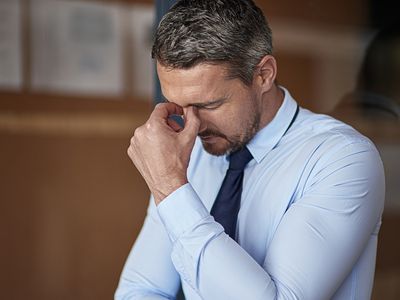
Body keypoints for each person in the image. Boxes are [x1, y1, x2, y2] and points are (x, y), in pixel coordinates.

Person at [115, 0, 385, 299]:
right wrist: (171, 185)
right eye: (179, 105)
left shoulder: (341, 158)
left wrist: (170, 188)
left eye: (209, 104)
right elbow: (139, 290)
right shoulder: (186, 157)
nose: (193, 124)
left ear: (264, 75)